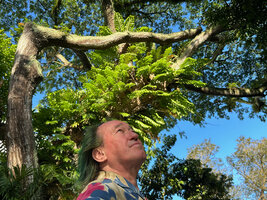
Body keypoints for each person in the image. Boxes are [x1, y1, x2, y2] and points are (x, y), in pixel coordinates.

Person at [77, 120, 147, 200]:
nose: (135, 135)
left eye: (132, 130)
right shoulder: (101, 190)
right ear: (100, 154)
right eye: (120, 131)